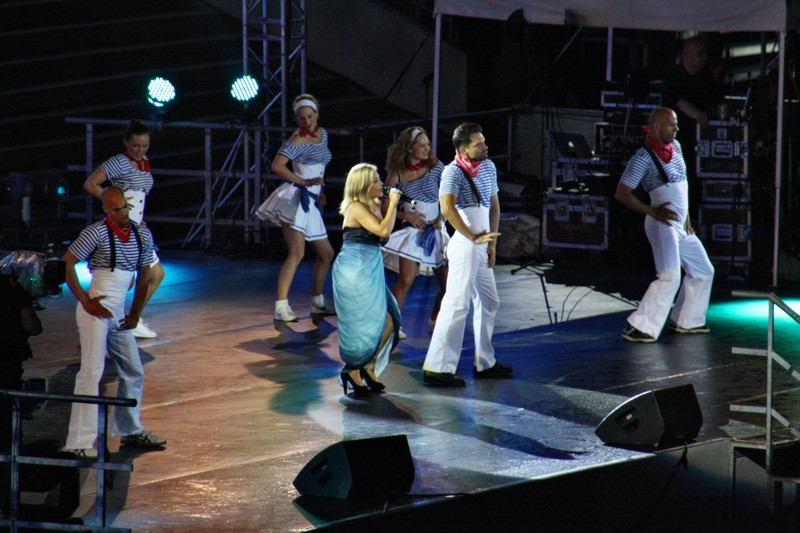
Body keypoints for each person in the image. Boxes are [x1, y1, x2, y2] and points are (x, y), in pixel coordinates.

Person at [61, 186, 167, 458]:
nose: (123, 213)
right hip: (96, 309)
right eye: (117, 209)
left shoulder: (141, 234)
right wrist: (85, 301)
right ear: (106, 210)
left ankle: (130, 428)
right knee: (91, 371)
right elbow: (67, 263)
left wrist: (135, 313)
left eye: (125, 208)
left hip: (118, 310)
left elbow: (144, 277)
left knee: (133, 369)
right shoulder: (95, 232)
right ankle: (78, 442)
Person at [422, 122, 511, 387]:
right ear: (463, 150)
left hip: (482, 244)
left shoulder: (489, 167)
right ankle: (438, 368)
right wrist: (472, 236)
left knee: (489, 301)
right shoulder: (452, 172)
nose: (485, 146)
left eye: (483, 141)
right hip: (466, 243)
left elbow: (494, 207)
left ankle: (485, 362)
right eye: (478, 144)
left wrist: (491, 245)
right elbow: (447, 209)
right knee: (457, 302)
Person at [615, 107, 715, 343]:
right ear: (657, 127)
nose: (677, 128)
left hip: (680, 224)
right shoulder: (643, 157)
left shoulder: (676, 147)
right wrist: (654, 212)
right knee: (670, 275)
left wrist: (686, 214)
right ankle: (639, 327)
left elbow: (681, 184)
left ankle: (686, 320)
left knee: (703, 270)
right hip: (662, 224)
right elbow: (622, 193)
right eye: (672, 124)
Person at [256, 94, 335, 322]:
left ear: (316, 114)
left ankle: (318, 302)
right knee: (297, 253)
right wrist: (304, 182)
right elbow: (277, 166)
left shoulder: (323, 134)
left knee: (326, 253)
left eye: (310, 116)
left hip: (310, 200)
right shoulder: (296, 139)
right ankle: (281, 306)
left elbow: (317, 169)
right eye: (302, 118)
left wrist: (317, 192)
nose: (306, 121)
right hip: (294, 199)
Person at [84, 119, 165, 339]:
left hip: (136, 229)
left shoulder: (144, 163)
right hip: (122, 231)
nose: (140, 150)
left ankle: (132, 319)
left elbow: (137, 198)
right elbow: (90, 184)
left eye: (144, 145)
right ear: (126, 143)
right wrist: (116, 206)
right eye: (136, 145)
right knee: (124, 282)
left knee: (156, 274)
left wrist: (138, 218)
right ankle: (98, 324)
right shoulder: (119, 162)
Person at [333, 163, 401, 396]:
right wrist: (393, 204)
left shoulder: (373, 206)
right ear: (362, 185)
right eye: (375, 181)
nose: (381, 184)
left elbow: (384, 234)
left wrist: (387, 207)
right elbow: (383, 231)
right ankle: (353, 369)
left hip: (370, 268)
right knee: (363, 325)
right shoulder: (356, 207)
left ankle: (368, 366)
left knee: (391, 319)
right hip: (355, 270)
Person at [381, 127, 448, 339]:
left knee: (448, 284)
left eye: (428, 145)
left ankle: (436, 317)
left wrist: (442, 217)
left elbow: (449, 196)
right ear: (410, 148)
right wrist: (406, 216)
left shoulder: (437, 168)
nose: (427, 149)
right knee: (406, 280)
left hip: (436, 230)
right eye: (422, 145)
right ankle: (389, 325)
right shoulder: (396, 176)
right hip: (412, 231)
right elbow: (384, 209)